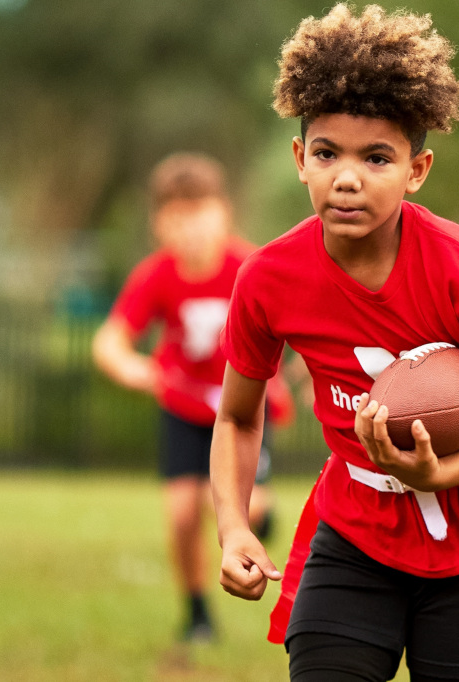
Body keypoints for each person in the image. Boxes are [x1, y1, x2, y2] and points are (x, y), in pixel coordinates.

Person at [210, 5, 459, 681]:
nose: (348, 178)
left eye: (377, 158)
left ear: (417, 169)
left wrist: (440, 473)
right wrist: (234, 526)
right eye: (327, 154)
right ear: (299, 160)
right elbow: (236, 413)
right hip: (354, 528)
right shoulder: (268, 277)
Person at [92, 151, 297, 644]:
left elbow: (296, 326)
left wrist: (292, 377)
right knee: (184, 513)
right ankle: (197, 613)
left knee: (242, 511)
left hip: (245, 407)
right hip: (183, 410)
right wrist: (131, 367)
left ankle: (262, 519)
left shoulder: (251, 266)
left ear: (224, 212)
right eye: (177, 217)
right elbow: (109, 341)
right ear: (158, 223)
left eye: (200, 213)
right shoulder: (156, 276)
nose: (191, 229)